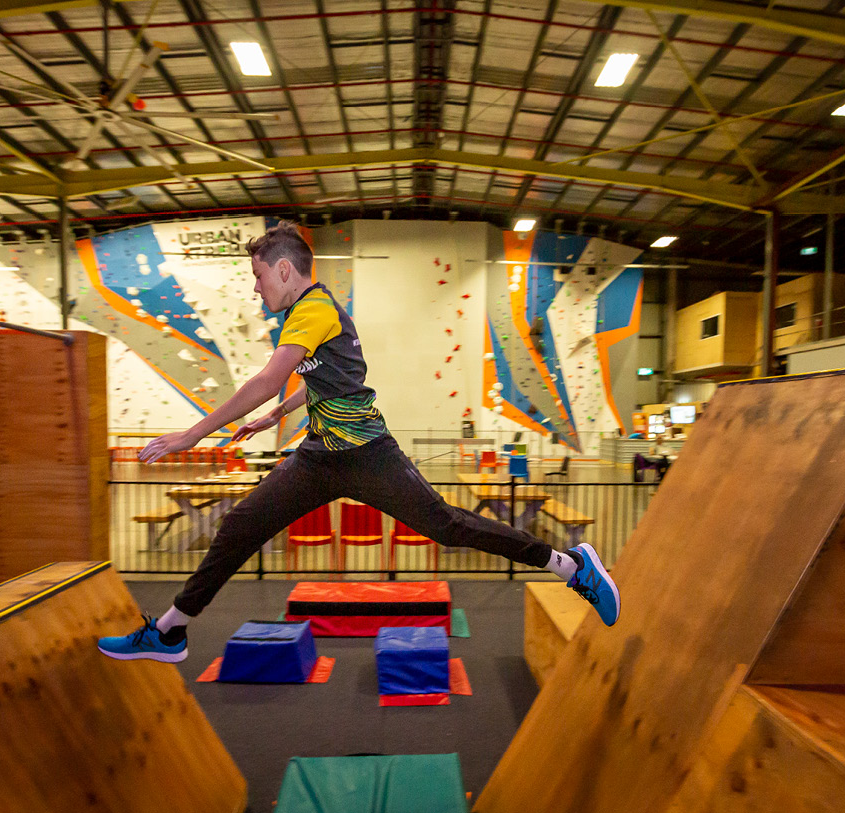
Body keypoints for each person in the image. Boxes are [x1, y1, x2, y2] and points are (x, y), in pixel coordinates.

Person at [98, 222, 620, 663]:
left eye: (258, 277)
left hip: (369, 457)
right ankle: (169, 630)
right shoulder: (310, 318)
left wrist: (192, 435)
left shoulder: (311, 310)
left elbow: (267, 378)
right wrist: (274, 417)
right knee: (240, 524)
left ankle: (570, 566)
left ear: (284, 270)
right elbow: (320, 380)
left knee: (449, 527)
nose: (255, 289)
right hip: (318, 460)